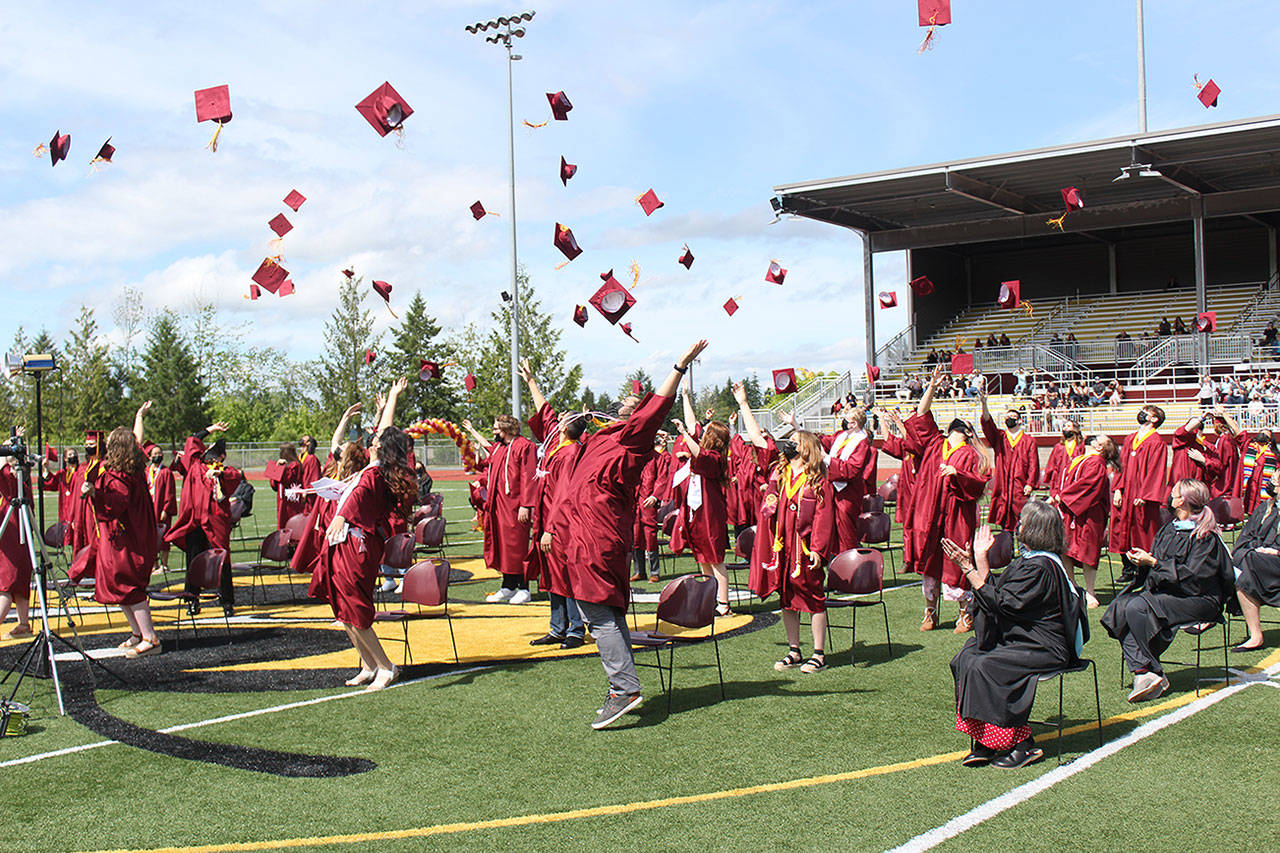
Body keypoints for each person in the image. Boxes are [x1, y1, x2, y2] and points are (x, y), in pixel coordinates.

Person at [548, 339, 707, 729]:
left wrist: (678, 366)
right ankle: (625, 683)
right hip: (583, 538)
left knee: (598, 611)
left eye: (627, 405)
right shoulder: (592, 442)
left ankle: (623, 688)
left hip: (598, 539)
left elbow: (654, 409)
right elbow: (553, 431)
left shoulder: (629, 440)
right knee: (604, 611)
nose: (619, 404)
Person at [944, 503, 1088, 769]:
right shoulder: (1029, 562)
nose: (1017, 525)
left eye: (1022, 521)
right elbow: (997, 594)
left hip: (1046, 647)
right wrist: (975, 562)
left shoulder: (1041, 567)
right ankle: (986, 740)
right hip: (1025, 640)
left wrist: (971, 567)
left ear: (1035, 529)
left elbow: (1002, 603)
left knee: (987, 664)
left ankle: (1023, 744)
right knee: (966, 656)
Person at [315, 394, 417, 691]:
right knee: (343, 607)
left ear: (382, 450)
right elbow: (382, 434)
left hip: (356, 543)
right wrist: (391, 401)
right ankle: (368, 663)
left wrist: (342, 516)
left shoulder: (375, 474)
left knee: (356, 608)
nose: (370, 441)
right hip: (343, 541)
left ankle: (386, 666)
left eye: (376, 441)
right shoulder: (373, 468)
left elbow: (359, 497)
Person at [1103, 478, 1233, 701]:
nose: (1169, 495)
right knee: (1121, 607)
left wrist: (1153, 564)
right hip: (1170, 593)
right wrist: (1141, 561)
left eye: (1174, 492)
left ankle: (1148, 670)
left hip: (1199, 598)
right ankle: (1145, 672)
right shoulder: (1169, 529)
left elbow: (1193, 578)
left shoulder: (1204, 536)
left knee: (1137, 606)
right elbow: (1158, 564)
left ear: (1182, 500)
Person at [901, 365, 992, 632]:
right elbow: (921, 414)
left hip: (955, 515)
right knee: (929, 560)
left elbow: (977, 484)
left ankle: (965, 612)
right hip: (929, 513)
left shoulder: (971, 454)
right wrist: (930, 386)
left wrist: (958, 473)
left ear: (965, 432)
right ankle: (930, 611)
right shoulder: (933, 444)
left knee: (956, 560)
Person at [752, 430, 836, 674]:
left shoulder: (817, 479)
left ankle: (819, 654)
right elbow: (769, 502)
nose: (789, 446)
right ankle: (794, 650)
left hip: (805, 547)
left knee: (813, 596)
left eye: (794, 442)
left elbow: (824, 516)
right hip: (783, 545)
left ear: (806, 448)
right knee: (786, 597)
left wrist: (818, 549)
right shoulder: (781, 473)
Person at [520, 360, 587, 649]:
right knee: (551, 575)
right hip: (547, 520)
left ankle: (575, 629)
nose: (554, 419)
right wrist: (531, 381)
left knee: (566, 573)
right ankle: (557, 627)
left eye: (561, 419)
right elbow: (544, 411)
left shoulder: (570, 453)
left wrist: (551, 529)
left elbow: (564, 495)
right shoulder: (555, 445)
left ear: (566, 427)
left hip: (561, 525)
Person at [84, 404, 162, 657]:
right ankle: (137, 633)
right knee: (120, 588)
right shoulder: (133, 464)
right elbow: (137, 439)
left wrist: (95, 493)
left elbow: (115, 504)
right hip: (133, 536)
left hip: (131, 539)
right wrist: (139, 416)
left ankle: (151, 638)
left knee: (129, 586)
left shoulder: (122, 475)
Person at [164, 422, 244, 616]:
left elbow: (234, 476)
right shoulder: (194, 465)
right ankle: (192, 600)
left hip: (215, 522)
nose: (208, 453)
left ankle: (226, 601)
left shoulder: (223, 471)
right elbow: (193, 439)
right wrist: (212, 429)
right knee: (193, 560)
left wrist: (219, 473)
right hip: (194, 521)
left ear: (221, 457)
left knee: (222, 559)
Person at [464, 410, 536, 604]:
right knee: (502, 546)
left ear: (505, 429)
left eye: (496, 428)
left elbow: (528, 477)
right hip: (497, 505)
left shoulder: (525, 446)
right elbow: (487, 464)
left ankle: (524, 588)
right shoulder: (499, 448)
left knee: (517, 546)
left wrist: (526, 505)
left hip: (515, 505)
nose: (494, 431)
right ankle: (508, 586)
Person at [673, 383, 732, 616]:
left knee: (715, 559)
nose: (702, 432)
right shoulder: (704, 452)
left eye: (707, 432)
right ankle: (711, 598)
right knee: (703, 557)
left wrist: (685, 435)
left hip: (710, 514)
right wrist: (686, 396)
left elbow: (697, 447)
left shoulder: (714, 458)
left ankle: (724, 603)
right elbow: (692, 424)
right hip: (697, 511)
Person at [780, 406, 873, 554]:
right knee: (828, 529)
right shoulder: (841, 436)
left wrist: (827, 458)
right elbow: (817, 441)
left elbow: (852, 469)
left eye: (846, 419)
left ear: (854, 423)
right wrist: (795, 424)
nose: (843, 420)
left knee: (845, 533)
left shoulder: (862, 443)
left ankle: (848, 567)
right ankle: (833, 563)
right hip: (832, 488)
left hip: (847, 493)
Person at [1053, 434, 1121, 608]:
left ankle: (1091, 592)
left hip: (1089, 515)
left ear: (1100, 447)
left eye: (1101, 438)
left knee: (1087, 551)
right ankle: (1073, 587)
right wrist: (1059, 495)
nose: (1095, 436)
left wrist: (1064, 497)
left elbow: (1088, 485)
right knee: (1066, 548)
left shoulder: (1096, 463)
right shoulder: (1081, 459)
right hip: (1071, 511)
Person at [1109, 405, 1169, 584]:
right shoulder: (1130, 439)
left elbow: (1156, 471)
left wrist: (1146, 495)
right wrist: (1118, 489)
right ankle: (1127, 568)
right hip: (1126, 493)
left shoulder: (1157, 442)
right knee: (1123, 529)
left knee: (1142, 531)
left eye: (1147, 412)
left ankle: (1144, 570)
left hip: (1141, 496)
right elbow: (1120, 466)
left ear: (1155, 419)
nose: (1142, 414)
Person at [979, 391, 1039, 532]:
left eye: (1013, 417)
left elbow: (1033, 464)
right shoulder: (1000, 437)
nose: (1009, 419)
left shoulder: (1028, 440)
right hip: (1003, 483)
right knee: (1004, 518)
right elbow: (988, 424)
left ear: (1019, 420)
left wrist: (1030, 483)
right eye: (1007, 417)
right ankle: (1008, 548)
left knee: (1022, 518)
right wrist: (984, 403)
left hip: (1020, 483)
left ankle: (1024, 547)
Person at [0, 434, 35, 639]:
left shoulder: (15, 484)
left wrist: (5, 451)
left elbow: (1, 470)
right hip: (19, 540)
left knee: (5, 586)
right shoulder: (22, 484)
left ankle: (21, 623)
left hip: (13, 541)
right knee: (19, 585)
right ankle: (23, 624)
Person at [878, 407, 917, 574]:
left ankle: (924, 560)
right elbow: (889, 439)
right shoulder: (906, 449)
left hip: (924, 494)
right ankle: (908, 560)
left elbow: (915, 441)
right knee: (908, 529)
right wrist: (882, 419)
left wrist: (899, 422)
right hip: (909, 493)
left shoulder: (928, 447)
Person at [144, 442, 177, 572]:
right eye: (154, 454)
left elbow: (170, 492)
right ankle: (154, 564)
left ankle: (164, 564)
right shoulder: (146, 471)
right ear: (150, 456)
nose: (157, 456)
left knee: (164, 537)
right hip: (149, 509)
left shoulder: (166, 472)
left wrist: (166, 509)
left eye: (159, 453)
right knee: (150, 537)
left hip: (161, 508)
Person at [1169, 414, 1221, 488]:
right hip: (1180, 487)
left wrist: (1203, 460)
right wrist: (1202, 418)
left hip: (1199, 488)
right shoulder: (1182, 443)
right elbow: (1182, 433)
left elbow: (1217, 468)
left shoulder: (1210, 448)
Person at [266, 442, 308, 531]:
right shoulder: (285, 465)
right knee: (282, 521)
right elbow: (274, 484)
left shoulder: (295, 465)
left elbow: (287, 478)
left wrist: (282, 467)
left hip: (291, 499)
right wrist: (277, 467)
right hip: (282, 499)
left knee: (291, 520)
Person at [40, 448, 79, 542]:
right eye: (69, 455)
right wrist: (46, 469)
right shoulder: (62, 473)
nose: (72, 456)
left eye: (74, 454)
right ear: (65, 458)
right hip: (65, 508)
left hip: (76, 506)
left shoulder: (80, 472)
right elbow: (52, 484)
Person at [1238, 429, 1278, 514]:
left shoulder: (1273, 455)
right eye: (1261, 433)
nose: (1262, 435)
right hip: (1251, 482)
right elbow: (1239, 435)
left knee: (1259, 505)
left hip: (1263, 483)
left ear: (1269, 440)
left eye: (1265, 434)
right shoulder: (1250, 447)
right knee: (1249, 501)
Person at [1042, 420, 1084, 500]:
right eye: (1064, 426)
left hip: (1075, 478)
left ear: (1075, 429)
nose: (1065, 428)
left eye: (1068, 426)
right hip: (1059, 479)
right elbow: (1052, 463)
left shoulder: (1080, 446)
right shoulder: (1059, 446)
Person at [298, 435, 323, 511]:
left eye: (305, 438)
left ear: (308, 443)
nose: (302, 438)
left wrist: (306, 492)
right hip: (299, 492)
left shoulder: (312, 459)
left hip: (308, 496)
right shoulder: (299, 457)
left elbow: (313, 478)